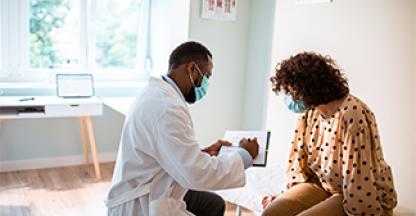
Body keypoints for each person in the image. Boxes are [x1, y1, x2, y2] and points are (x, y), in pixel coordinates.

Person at [105, 41, 259, 216]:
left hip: (156, 183)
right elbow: (197, 174)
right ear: (192, 69)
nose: (206, 83)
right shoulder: (167, 108)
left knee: (213, 204)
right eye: (206, 76)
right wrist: (245, 155)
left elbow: (167, 151)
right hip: (143, 203)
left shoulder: (157, 94)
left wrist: (203, 153)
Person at [262, 52, 397, 216]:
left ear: (310, 87)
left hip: (354, 192)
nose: (291, 98)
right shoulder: (310, 113)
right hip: (321, 184)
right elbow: (299, 161)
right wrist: (285, 195)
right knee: (271, 213)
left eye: (293, 92)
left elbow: (358, 176)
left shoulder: (352, 114)